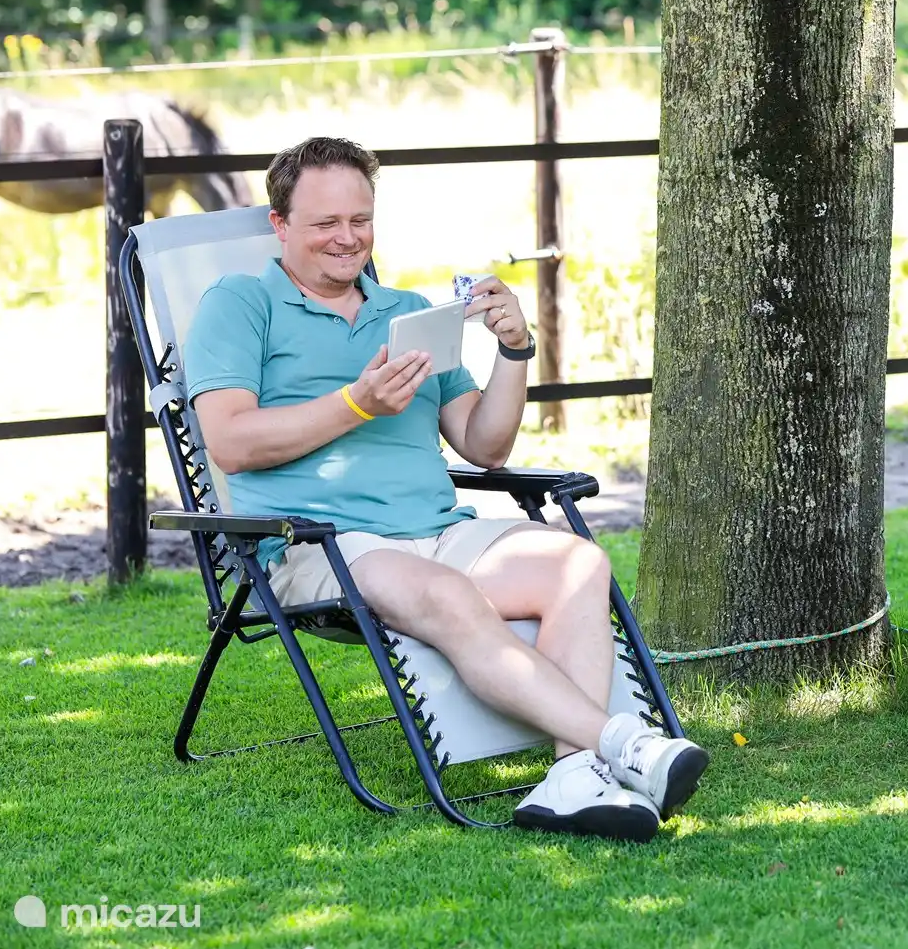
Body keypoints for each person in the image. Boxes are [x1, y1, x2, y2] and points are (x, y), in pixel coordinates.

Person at [183, 136, 706, 841]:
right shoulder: (241, 304)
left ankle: (573, 777)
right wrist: (357, 404)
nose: (348, 239)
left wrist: (515, 349)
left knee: (577, 562)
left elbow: (485, 445)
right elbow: (231, 442)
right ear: (279, 225)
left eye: (360, 220)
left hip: (440, 531)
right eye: (325, 223)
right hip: (318, 543)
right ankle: (625, 745)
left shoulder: (410, 312)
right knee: (448, 596)